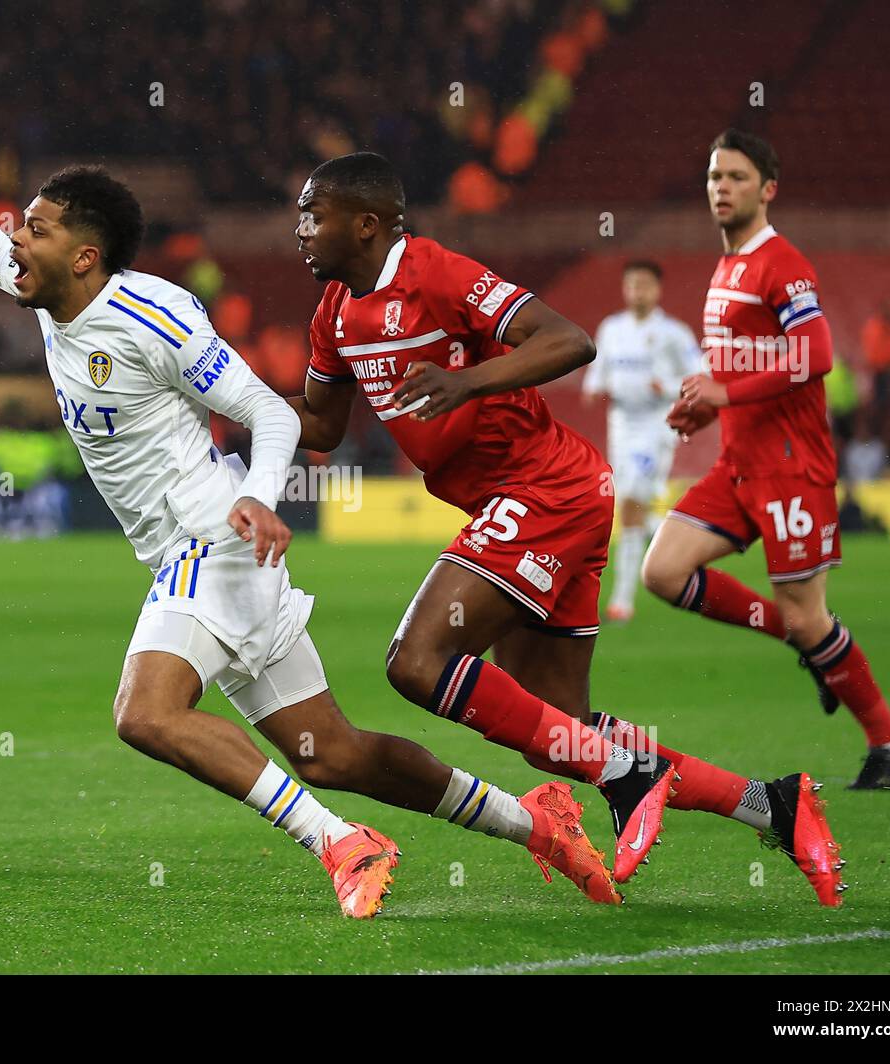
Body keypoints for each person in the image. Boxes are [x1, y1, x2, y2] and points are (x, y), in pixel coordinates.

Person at [0, 131, 625, 917]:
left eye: (35, 229)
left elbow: (265, 413)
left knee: (144, 714)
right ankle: (536, 824)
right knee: (333, 755)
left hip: (212, 540)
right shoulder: (53, 298)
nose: (14, 240)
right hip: (199, 558)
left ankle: (341, 844)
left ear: (84, 257)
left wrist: (258, 497)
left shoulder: (153, 314)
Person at [290, 151, 845, 903]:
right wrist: (214, 399)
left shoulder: (437, 273)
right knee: (562, 730)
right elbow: (319, 427)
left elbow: (567, 339)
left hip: (545, 486)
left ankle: (628, 775)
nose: (299, 230)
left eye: (312, 215)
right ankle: (772, 805)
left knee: (416, 662)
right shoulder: (331, 317)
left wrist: (466, 380)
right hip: (548, 497)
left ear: (364, 224)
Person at [645, 129, 890, 791]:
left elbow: (815, 356)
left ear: (767, 189)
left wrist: (725, 390)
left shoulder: (781, 262)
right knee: (663, 571)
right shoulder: (727, 267)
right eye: (714, 177)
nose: (722, 189)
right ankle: (809, 646)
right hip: (737, 464)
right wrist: (709, 406)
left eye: (736, 177)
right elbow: (748, 360)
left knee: (809, 616)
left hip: (791, 468)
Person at [583, 261, 700, 621]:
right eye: (632, 285)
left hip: (657, 425)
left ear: (657, 290)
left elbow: (702, 372)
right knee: (633, 506)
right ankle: (676, 543)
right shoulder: (611, 329)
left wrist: (665, 387)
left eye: (644, 285)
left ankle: (622, 600)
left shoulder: (673, 333)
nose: (638, 292)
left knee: (631, 500)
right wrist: (592, 388)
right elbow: (597, 372)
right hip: (621, 423)